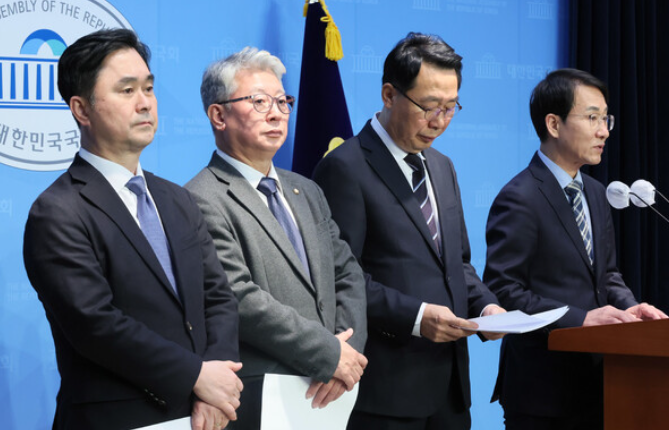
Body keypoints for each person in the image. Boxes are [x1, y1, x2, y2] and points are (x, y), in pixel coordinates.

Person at [23, 29, 243, 430]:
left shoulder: (177, 198)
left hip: (204, 414)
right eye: (127, 91)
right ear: (81, 109)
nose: (145, 103)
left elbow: (219, 298)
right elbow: (96, 325)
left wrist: (217, 383)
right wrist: (196, 377)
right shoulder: (57, 211)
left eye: (148, 88)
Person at [313, 32, 505, 430]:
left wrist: (487, 307)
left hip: (451, 391)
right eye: (429, 107)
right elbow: (340, 279)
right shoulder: (345, 168)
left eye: (451, 108)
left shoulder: (442, 166)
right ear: (389, 95)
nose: (440, 122)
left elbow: (457, 265)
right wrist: (416, 317)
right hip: (387, 392)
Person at [185, 47, 368, 429]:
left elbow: (347, 272)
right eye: (259, 102)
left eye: (283, 102)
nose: (276, 113)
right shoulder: (200, 198)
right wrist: (327, 353)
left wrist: (346, 351)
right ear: (218, 115)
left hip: (331, 391)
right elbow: (239, 297)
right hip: (262, 397)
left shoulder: (307, 190)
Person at [483, 68, 668, 430]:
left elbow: (607, 275)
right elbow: (503, 290)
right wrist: (580, 319)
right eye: (592, 118)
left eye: (606, 119)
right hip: (543, 393)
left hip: (601, 384)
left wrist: (631, 310)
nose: (604, 131)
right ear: (554, 124)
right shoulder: (519, 197)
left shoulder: (596, 193)